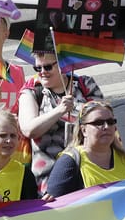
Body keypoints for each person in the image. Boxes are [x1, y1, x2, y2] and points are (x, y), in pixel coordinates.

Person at [18, 51, 105, 193]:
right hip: (49, 179)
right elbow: (29, 130)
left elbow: (103, 122)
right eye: (37, 68)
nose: (42, 72)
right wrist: (60, 110)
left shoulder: (85, 85)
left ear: (63, 65)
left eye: (47, 67)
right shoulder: (33, 91)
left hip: (89, 173)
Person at [46, 101, 125, 201]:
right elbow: (54, 208)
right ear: (84, 130)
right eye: (98, 123)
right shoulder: (70, 162)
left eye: (110, 122)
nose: (106, 126)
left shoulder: (124, 159)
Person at [0, 108, 39, 203]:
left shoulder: (24, 174)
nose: (9, 140)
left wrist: (42, 204)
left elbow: (30, 211)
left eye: (13, 136)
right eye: (2, 135)